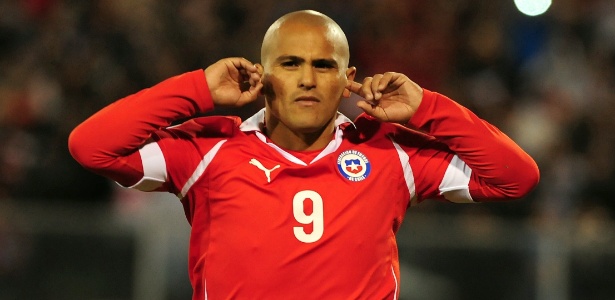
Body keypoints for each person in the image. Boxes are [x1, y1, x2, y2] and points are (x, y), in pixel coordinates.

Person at [68, 9, 539, 300]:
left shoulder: (387, 151)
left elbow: (516, 177)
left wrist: (428, 108)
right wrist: (196, 89)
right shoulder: (210, 151)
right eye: (290, 64)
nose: (308, 79)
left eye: (323, 65)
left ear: (346, 77)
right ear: (264, 73)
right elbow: (91, 146)